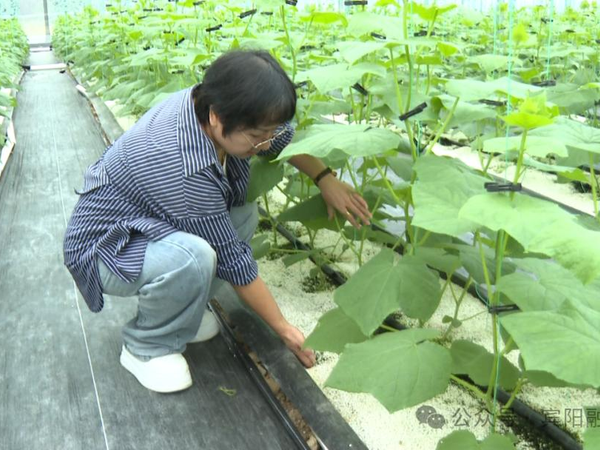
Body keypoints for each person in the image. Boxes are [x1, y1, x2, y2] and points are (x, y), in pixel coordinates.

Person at [63, 49, 372, 393]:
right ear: (215, 117)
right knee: (196, 257)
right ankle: (145, 347)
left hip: (148, 222)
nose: (265, 144)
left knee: (242, 216)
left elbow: (280, 139)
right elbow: (233, 259)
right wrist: (283, 328)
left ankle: (182, 316)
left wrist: (325, 177)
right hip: (105, 247)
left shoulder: (214, 101)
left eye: (267, 133)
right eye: (257, 137)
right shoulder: (185, 164)